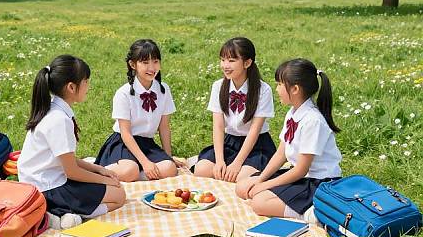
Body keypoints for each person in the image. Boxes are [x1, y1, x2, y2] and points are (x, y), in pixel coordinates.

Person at [18, 55, 125, 230]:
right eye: (86, 82)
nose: (88, 87)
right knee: (119, 195)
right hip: (49, 188)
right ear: (71, 87)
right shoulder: (59, 119)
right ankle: (59, 214)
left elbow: (65, 160)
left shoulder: (50, 108)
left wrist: (98, 169)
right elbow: (72, 172)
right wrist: (104, 181)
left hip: (39, 182)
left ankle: (62, 211)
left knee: (107, 185)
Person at [235, 58, 342, 221]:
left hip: (318, 182)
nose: (276, 89)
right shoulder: (293, 112)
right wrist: (261, 178)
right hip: (299, 176)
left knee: (259, 202)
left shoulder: (313, 121)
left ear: (295, 89)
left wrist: (264, 186)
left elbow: (301, 170)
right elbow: (280, 154)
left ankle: (313, 214)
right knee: (243, 187)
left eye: (279, 84)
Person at [194, 37, 276, 182]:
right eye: (223, 60)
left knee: (241, 178)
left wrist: (237, 164)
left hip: (256, 145)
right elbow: (218, 126)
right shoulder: (218, 86)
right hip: (230, 142)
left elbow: (254, 131)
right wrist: (220, 161)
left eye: (231, 61)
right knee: (201, 170)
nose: (225, 65)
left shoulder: (263, 90)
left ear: (247, 63)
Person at [95, 39, 179, 181]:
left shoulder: (164, 90)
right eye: (145, 63)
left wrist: (168, 156)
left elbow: (164, 127)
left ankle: (137, 174)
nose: (152, 67)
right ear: (133, 64)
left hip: (147, 143)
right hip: (124, 143)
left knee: (170, 168)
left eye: (156, 61)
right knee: (130, 170)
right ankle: (98, 170)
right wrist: (145, 162)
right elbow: (125, 133)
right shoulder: (123, 93)